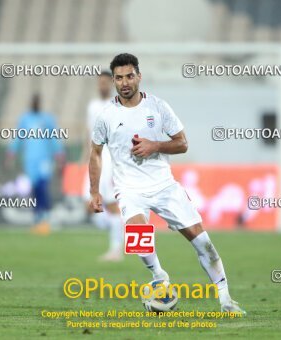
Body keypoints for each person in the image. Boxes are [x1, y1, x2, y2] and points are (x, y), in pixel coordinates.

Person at [88, 53, 246, 314]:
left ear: (139, 76)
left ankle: (226, 300)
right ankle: (160, 276)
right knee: (138, 237)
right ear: (114, 81)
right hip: (129, 189)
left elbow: (182, 143)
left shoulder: (158, 107)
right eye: (119, 78)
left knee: (202, 241)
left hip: (164, 185)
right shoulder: (106, 116)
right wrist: (94, 191)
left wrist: (155, 146)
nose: (124, 82)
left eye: (129, 76)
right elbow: (94, 152)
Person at [5, 94, 65, 235]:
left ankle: (46, 218)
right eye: (33, 101)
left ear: (40, 103)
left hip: (44, 160)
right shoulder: (25, 119)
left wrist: (60, 157)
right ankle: (38, 219)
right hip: (30, 160)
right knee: (35, 190)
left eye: (37, 101)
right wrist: (10, 155)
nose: (35, 104)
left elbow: (55, 139)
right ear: (31, 103)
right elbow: (17, 138)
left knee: (42, 186)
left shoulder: (47, 119)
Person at [81, 71, 124, 261]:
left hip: (109, 157)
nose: (103, 85)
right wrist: (85, 155)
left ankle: (116, 250)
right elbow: (89, 132)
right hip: (93, 156)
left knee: (110, 203)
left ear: (112, 84)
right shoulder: (93, 106)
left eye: (106, 82)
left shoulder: (117, 105)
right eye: (100, 82)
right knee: (88, 203)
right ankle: (120, 229)